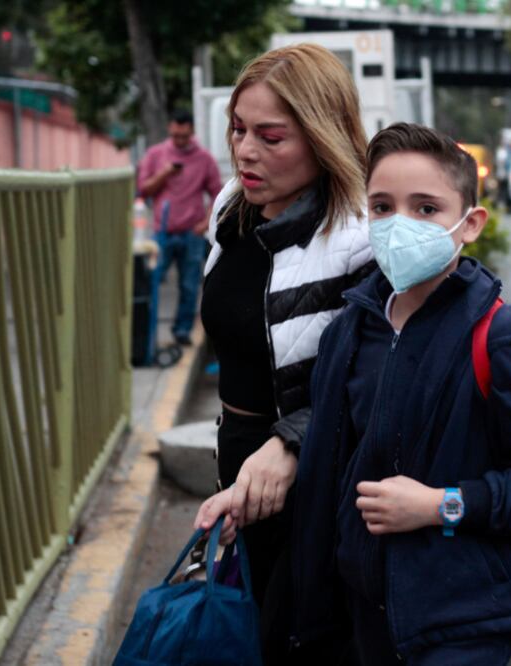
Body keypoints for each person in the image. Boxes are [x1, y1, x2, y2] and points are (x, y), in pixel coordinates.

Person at [285, 123, 511, 664]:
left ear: (470, 224)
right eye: (382, 207)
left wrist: (439, 506)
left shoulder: (504, 336)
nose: (400, 225)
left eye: (426, 209)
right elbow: (330, 459)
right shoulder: (350, 331)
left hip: (464, 616)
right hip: (366, 608)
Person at [191, 43, 375, 664]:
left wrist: (292, 442)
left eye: (272, 137)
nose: (245, 151)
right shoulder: (230, 207)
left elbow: (375, 374)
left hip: (320, 479)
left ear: (323, 137)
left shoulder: (361, 237)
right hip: (241, 468)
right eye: (239, 129)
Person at [136, 109, 222, 346]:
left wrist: (206, 223)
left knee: (188, 284)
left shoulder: (204, 159)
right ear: (170, 130)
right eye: (176, 136)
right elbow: (143, 190)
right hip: (161, 233)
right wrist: (164, 173)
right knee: (152, 280)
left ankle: (182, 330)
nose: (180, 141)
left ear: (192, 132)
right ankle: (147, 333)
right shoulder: (155, 155)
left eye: (185, 137)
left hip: (191, 233)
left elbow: (218, 192)